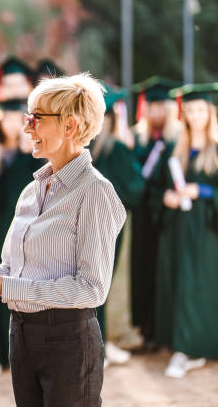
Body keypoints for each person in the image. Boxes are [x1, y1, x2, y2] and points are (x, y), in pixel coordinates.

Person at [0, 74, 126, 406]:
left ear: (70, 126)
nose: (26, 128)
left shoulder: (95, 192)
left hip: (70, 342)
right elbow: (16, 271)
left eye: (36, 119)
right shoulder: (32, 191)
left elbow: (92, 289)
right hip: (21, 336)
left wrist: (5, 288)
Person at [153, 82, 218, 379]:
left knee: (200, 287)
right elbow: (156, 190)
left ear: (210, 113)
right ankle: (180, 344)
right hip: (178, 230)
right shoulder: (174, 151)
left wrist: (202, 190)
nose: (194, 116)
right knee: (179, 284)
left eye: (200, 110)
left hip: (207, 233)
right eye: (190, 111)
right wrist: (166, 197)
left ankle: (196, 345)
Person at [0, 98, 41, 376]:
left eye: (21, 119)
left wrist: (31, 153)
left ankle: (26, 354)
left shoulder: (38, 154)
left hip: (28, 230)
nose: (14, 125)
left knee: (25, 285)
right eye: (8, 119)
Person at [89, 84, 144, 366]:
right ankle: (103, 344)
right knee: (105, 282)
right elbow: (135, 189)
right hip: (110, 224)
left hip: (84, 224)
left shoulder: (81, 149)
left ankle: (93, 343)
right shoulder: (118, 149)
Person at [130, 76, 180, 349]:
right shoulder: (138, 139)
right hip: (142, 216)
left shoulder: (177, 138)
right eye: (152, 107)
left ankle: (163, 330)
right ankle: (145, 330)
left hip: (167, 216)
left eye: (161, 106)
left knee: (163, 271)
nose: (156, 112)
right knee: (142, 269)